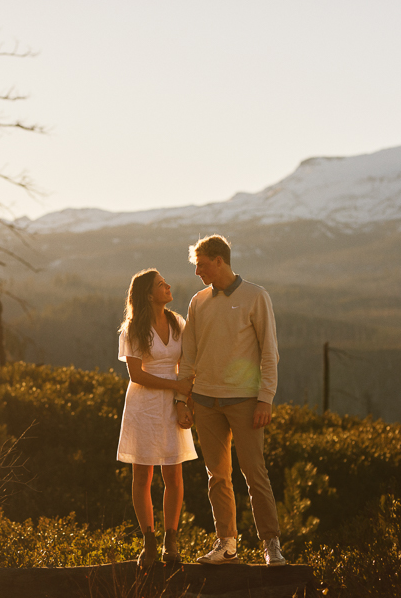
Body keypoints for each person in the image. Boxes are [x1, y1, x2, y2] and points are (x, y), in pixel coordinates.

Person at [177, 235, 286, 567]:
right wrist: (183, 398)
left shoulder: (256, 296)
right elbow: (189, 353)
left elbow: (270, 353)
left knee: (254, 473)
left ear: (219, 261)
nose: (197, 272)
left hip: (245, 401)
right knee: (217, 476)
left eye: (202, 264)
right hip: (206, 402)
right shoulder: (198, 302)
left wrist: (265, 399)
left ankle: (271, 544)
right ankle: (227, 545)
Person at [117, 268, 198, 568]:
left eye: (166, 282)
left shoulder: (178, 323)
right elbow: (136, 374)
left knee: (173, 476)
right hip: (144, 406)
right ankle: (148, 540)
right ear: (149, 294)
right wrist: (175, 385)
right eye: (161, 284)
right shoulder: (133, 329)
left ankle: (171, 539)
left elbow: (188, 364)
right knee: (143, 476)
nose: (168, 286)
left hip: (172, 403)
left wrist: (184, 400)